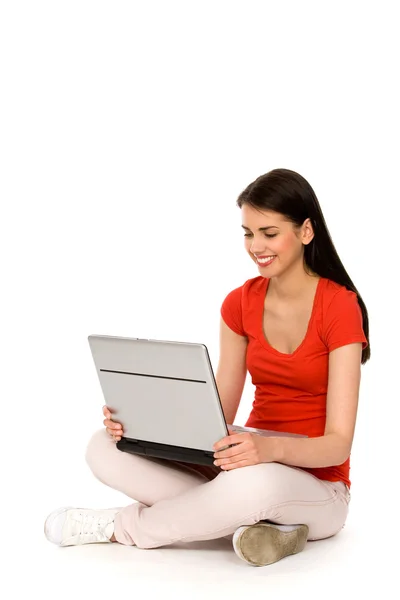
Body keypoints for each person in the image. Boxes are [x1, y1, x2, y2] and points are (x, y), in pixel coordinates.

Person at [44, 168, 370, 567]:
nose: (256, 246)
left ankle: (120, 527)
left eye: (269, 233)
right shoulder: (239, 303)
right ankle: (261, 528)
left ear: (306, 231)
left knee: (252, 483)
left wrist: (269, 449)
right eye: (248, 233)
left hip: (321, 488)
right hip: (247, 463)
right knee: (104, 446)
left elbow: (338, 444)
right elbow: (218, 419)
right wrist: (144, 429)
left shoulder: (339, 307)